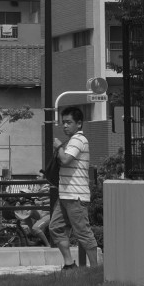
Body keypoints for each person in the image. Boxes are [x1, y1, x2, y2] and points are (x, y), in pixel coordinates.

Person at [48, 106, 100, 270]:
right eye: (63, 122)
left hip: (76, 196)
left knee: (83, 233)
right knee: (55, 227)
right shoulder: (71, 141)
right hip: (65, 195)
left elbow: (65, 160)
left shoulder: (78, 140)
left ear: (79, 124)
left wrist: (58, 147)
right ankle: (69, 264)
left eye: (69, 122)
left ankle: (96, 269)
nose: (65, 126)